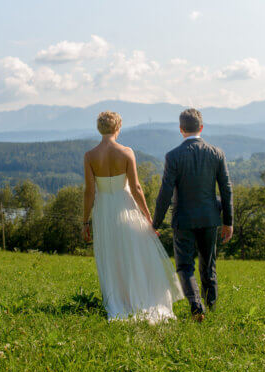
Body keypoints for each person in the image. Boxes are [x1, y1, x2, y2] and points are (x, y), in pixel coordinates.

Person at [83, 111, 184, 324]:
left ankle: (118, 299)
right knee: (134, 252)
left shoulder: (90, 156)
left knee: (112, 255)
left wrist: (85, 221)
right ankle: (139, 296)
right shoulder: (126, 152)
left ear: (99, 129)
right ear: (118, 128)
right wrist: (148, 218)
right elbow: (136, 188)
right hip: (125, 206)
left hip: (103, 210)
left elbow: (89, 192)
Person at [153, 108, 233, 322]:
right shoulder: (217, 153)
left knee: (185, 265)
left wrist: (156, 222)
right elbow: (226, 189)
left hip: (184, 219)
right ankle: (212, 306)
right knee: (208, 264)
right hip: (210, 218)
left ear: (181, 129)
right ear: (201, 127)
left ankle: (196, 306)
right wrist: (228, 222)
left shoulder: (173, 156)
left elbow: (165, 192)